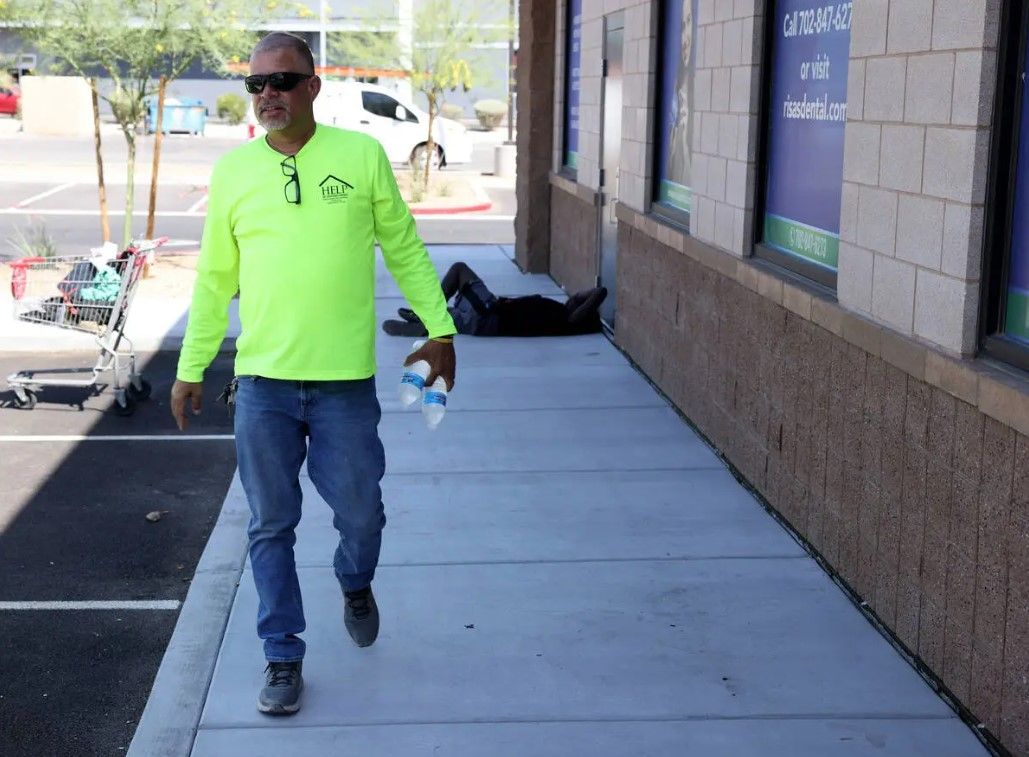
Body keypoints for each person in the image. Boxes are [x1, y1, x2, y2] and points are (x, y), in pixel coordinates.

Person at [169, 32, 456, 717]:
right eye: (256, 85)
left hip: (343, 386)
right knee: (270, 525)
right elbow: (214, 280)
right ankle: (282, 655)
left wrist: (440, 327)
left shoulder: (360, 158)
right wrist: (191, 366)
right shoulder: (234, 172)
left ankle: (354, 582)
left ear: (313, 87)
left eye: (281, 81)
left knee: (361, 512)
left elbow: (406, 248)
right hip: (263, 386)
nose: (267, 95)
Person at [382, 262, 608, 338]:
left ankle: (425, 316)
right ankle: (422, 322)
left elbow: (600, 292)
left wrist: (584, 306)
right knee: (450, 317)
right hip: (486, 320)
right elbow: (581, 297)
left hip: (491, 314)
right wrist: (577, 300)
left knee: (460, 271)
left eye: (579, 304)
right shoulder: (560, 312)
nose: (576, 299)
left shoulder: (566, 321)